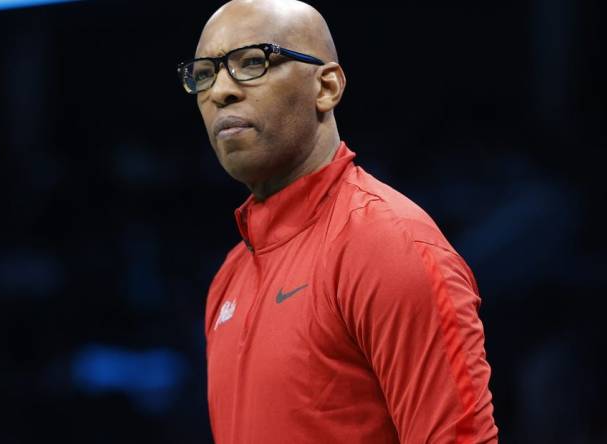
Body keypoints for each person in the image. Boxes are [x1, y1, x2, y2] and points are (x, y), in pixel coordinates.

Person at [178, 0, 499, 442]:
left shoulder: (388, 244)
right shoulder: (228, 277)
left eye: (251, 62)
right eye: (205, 73)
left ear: (326, 87)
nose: (220, 91)